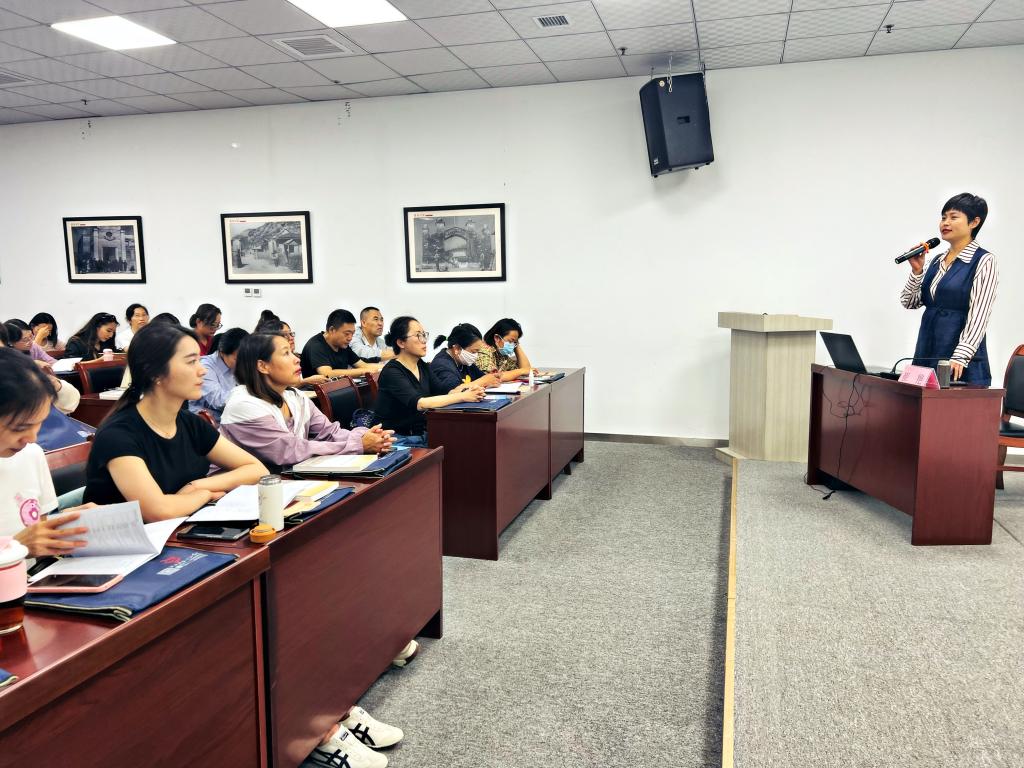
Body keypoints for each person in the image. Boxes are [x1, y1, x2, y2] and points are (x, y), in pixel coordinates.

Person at [83, 323, 267, 522]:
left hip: (179, 530)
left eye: (199, 360)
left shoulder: (190, 423)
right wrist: (204, 495)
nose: (202, 371)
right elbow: (158, 511)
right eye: (191, 362)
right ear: (154, 373)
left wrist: (197, 486)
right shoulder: (118, 435)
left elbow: (257, 470)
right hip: (130, 539)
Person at [220, 333, 394, 470]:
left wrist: (366, 436)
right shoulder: (244, 405)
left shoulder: (294, 396)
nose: (297, 358)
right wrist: (358, 444)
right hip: (238, 492)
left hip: (285, 480)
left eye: (292, 351)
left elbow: (330, 433)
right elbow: (291, 451)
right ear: (263, 366)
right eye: (286, 353)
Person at [0, 347, 91, 559]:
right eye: (20, 428)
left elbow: (34, 527)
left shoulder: (31, 454)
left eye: (39, 424)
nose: (32, 438)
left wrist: (64, 523)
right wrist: (17, 546)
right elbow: (23, 542)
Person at [901, 192, 999, 386]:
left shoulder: (984, 260)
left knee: (951, 403)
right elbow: (909, 302)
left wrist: (961, 355)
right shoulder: (937, 260)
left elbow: (979, 314)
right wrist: (917, 271)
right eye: (943, 217)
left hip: (958, 358)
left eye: (953, 217)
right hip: (927, 350)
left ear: (974, 222)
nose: (945, 223)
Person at [375, 316, 485, 447]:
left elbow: (445, 391)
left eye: (424, 335)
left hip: (422, 434)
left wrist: (469, 390)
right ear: (401, 343)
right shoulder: (392, 372)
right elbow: (420, 403)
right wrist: (463, 396)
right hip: (397, 439)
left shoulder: (422, 366)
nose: (424, 341)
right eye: (418, 336)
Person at [2, 322, 79, 414]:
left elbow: (50, 360)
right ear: (10, 343)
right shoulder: (8, 364)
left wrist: (65, 365)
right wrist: (31, 364)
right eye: (25, 339)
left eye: (31, 336)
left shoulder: (33, 347)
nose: (30, 341)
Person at [300, 309, 382, 379]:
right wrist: (363, 371)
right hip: (316, 393)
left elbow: (363, 365)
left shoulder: (342, 345)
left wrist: (386, 367)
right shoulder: (316, 345)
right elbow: (327, 374)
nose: (350, 338)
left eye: (352, 333)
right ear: (332, 330)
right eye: (347, 334)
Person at [188, 327, 248, 421]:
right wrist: (249, 398)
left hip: (230, 416)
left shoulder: (234, 363)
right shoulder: (205, 366)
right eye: (237, 359)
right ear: (222, 352)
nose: (242, 363)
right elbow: (218, 401)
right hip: (208, 420)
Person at [254, 313, 326, 387]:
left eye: (291, 333)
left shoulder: (297, 357)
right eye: (285, 335)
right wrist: (306, 381)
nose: (291, 338)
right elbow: (285, 385)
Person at [430, 322, 501, 392]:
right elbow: (454, 391)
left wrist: (491, 376)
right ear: (457, 348)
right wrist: (483, 381)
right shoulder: (441, 365)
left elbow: (481, 377)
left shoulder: (464, 361)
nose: (476, 355)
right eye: (473, 352)